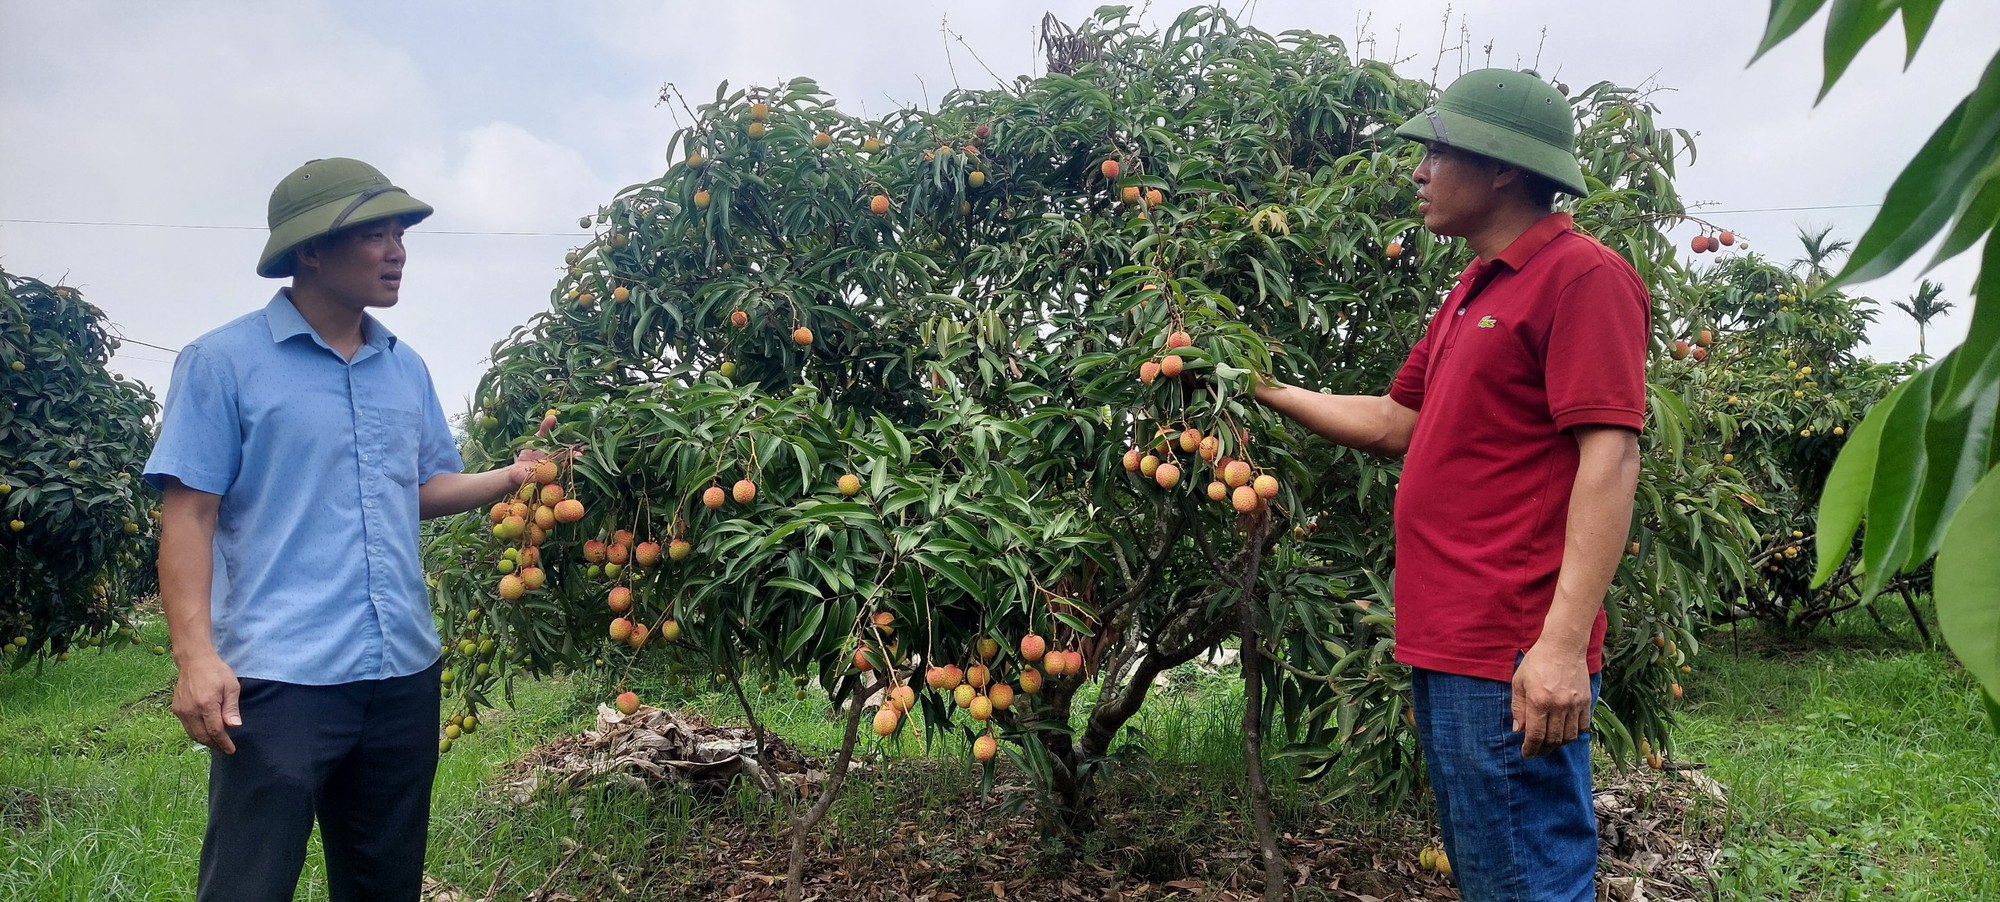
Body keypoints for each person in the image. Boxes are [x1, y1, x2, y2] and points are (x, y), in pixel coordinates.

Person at [1254, 70, 1647, 901]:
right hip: (1449, 639)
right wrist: (1259, 386)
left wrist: (1561, 645)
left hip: (1510, 643)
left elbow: (1609, 459)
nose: (1418, 171)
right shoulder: (1472, 289)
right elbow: (1399, 422)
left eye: (1438, 150)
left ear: (1502, 166)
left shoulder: (1583, 277)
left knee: (1526, 877)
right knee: (1493, 871)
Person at [146, 157, 554, 901]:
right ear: (310, 251)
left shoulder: (404, 369)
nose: (397, 251)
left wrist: (513, 477)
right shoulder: (223, 363)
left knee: (383, 883)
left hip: (402, 672)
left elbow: (420, 487)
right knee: (249, 882)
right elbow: (189, 513)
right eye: (375, 235)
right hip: (280, 677)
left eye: (401, 234)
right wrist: (194, 658)